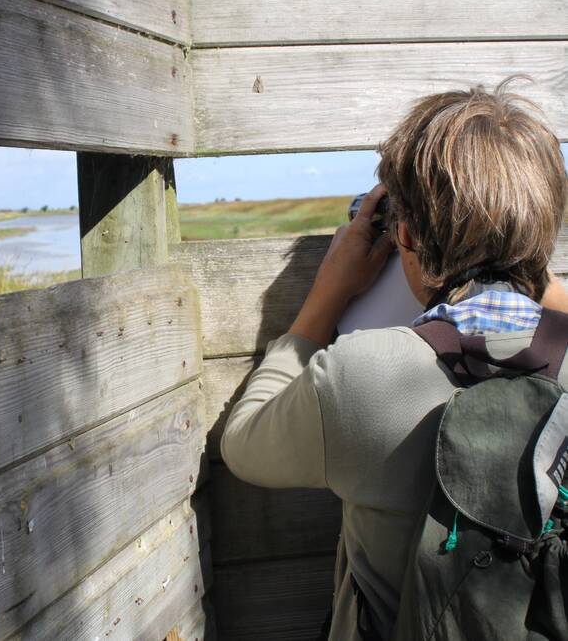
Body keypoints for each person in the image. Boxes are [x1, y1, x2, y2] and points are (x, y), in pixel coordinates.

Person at [220, 79, 568, 640]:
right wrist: (530, 269)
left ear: (403, 233)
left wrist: (322, 301)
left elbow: (244, 445)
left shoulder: (361, 375)